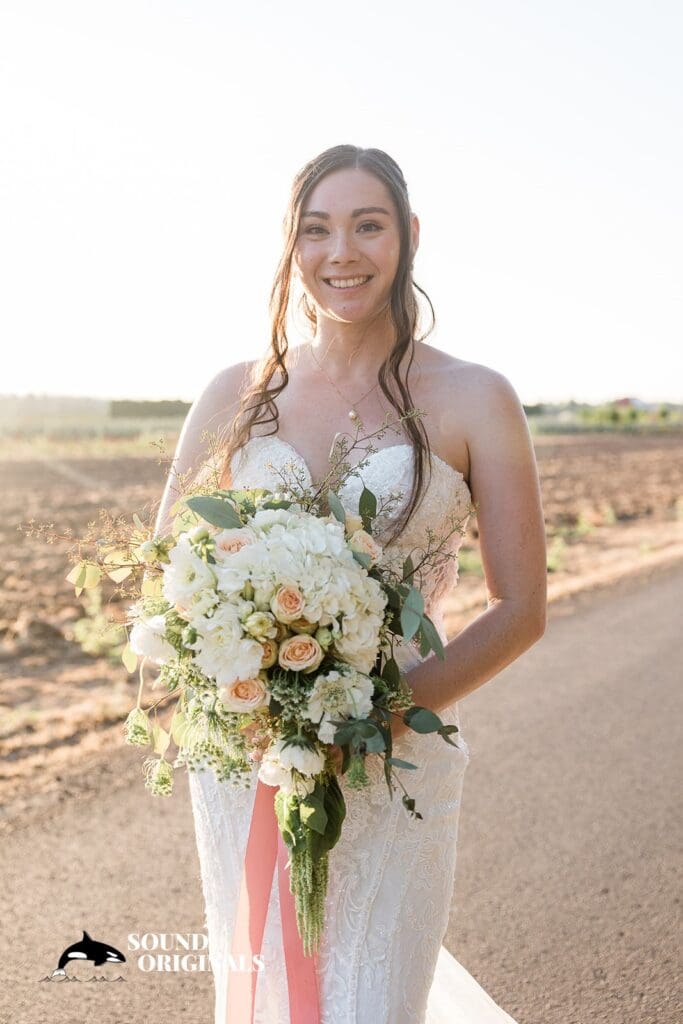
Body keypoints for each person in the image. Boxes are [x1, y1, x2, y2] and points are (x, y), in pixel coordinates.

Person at [154, 144, 547, 1023]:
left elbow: (520, 610)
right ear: (290, 246)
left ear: (408, 236)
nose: (342, 252)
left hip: (395, 752)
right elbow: (165, 576)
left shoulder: (477, 397)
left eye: (367, 226)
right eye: (316, 229)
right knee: (258, 996)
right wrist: (244, 700)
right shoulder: (237, 393)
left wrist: (373, 716)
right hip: (247, 757)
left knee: (370, 1001)